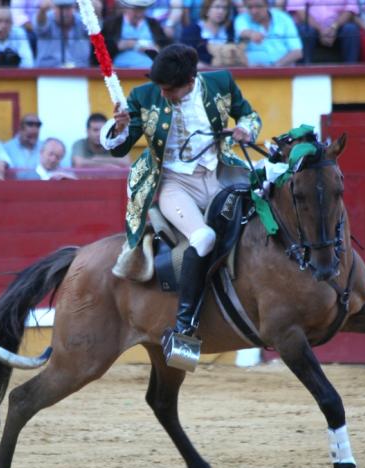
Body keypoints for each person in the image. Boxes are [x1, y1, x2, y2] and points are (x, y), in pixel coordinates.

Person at [100, 43, 260, 350]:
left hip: (220, 176)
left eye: (169, 89)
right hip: (175, 184)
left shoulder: (220, 83)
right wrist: (118, 128)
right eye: (159, 87)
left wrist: (245, 129)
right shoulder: (142, 96)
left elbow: (249, 115)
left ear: (190, 81)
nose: (162, 95)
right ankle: (185, 327)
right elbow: (121, 146)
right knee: (203, 239)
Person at [103, 0, 172, 68]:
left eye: (142, 9)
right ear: (126, 8)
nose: (139, 14)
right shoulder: (112, 24)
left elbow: (166, 47)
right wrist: (118, 46)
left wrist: (156, 49)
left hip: (150, 70)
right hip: (119, 70)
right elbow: (101, 50)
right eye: (135, 9)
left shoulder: (153, 24)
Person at [288, 0, 361, 63]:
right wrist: (320, 30)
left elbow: (351, 9)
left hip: (337, 27)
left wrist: (334, 27)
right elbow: (299, 10)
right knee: (305, 31)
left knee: (351, 29)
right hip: (310, 27)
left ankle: (349, 72)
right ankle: (303, 73)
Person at [234, 0, 303, 66]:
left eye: (258, 6)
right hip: (251, 73)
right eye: (250, 7)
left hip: (284, 73)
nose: (254, 11)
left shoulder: (283, 18)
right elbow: (243, 31)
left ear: (267, 5)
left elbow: (297, 52)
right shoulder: (241, 19)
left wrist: (274, 67)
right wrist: (251, 34)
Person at [33, 0, 90, 67]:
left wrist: (93, 8)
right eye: (60, 8)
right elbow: (40, 25)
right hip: (48, 72)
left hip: (80, 71)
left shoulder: (82, 20)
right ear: (53, 8)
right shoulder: (46, 18)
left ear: (74, 8)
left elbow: (96, 27)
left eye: (68, 8)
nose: (64, 12)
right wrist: (42, 10)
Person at [180, 0, 235, 67]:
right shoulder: (191, 31)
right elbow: (186, 58)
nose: (221, 11)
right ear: (207, 9)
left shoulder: (230, 30)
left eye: (224, 8)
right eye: (217, 7)